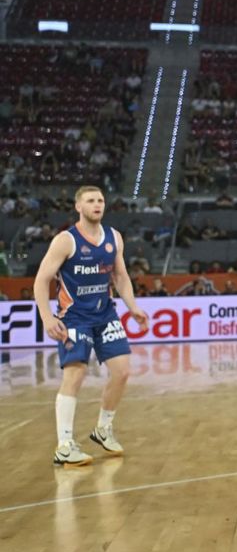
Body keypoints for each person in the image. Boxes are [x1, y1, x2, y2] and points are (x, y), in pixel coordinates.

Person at [32, 184, 149, 466]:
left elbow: (120, 277)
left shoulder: (114, 238)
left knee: (121, 372)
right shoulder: (65, 240)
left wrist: (133, 308)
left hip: (105, 314)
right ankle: (64, 445)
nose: (97, 204)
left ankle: (102, 429)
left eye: (100, 200)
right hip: (74, 317)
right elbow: (40, 280)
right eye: (90, 201)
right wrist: (48, 317)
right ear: (79, 207)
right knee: (76, 373)